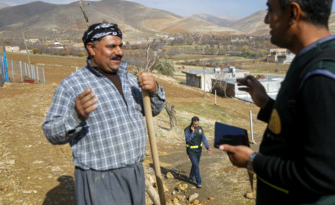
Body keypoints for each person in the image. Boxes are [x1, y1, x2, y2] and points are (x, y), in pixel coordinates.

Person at [219, 0, 335, 204]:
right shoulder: (316, 59)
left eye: (270, 10)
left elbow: (329, 176)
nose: (266, 19)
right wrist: (265, 104)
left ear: (293, 13)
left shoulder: (324, 75)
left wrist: (254, 161)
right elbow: (311, 127)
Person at [42, 23, 166, 205]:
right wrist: (76, 116)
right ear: (91, 48)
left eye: (120, 45)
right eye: (111, 46)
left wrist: (154, 89)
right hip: (100, 179)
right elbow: (51, 132)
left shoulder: (131, 80)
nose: (119, 52)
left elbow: (153, 110)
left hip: (135, 173)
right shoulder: (72, 85)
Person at [184, 116, 212, 188]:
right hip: (191, 151)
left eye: (197, 124)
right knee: (196, 165)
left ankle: (191, 176)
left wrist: (208, 147)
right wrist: (192, 132)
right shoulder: (187, 130)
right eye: (194, 124)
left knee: (195, 164)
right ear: (192, 123)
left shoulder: (200, 129)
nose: (196, 125)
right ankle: (199, 182)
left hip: (198, 151)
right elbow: (188, 140)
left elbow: (204, 138)